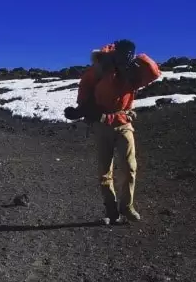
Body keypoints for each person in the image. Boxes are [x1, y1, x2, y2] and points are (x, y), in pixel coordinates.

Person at [64, 40, 161, 225]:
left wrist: (137, 59)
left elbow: (154, 73)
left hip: (123, 122)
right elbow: (85, 91)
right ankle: (111, 210)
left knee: (129, 167)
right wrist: (81, 110)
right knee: (104, 171)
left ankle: (126, 206)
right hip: (102, 124)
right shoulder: (99, 71)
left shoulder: (132, 71)